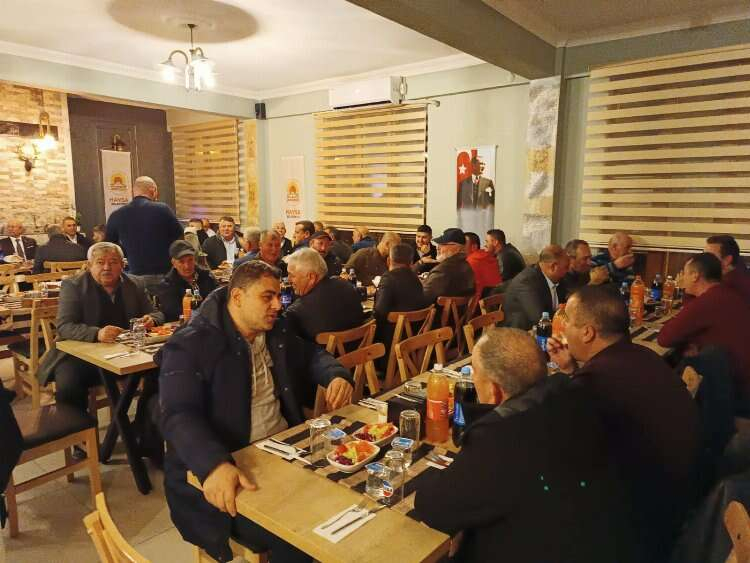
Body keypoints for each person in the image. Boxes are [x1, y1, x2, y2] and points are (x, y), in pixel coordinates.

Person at [158, 261, 353, 562]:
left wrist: (335, 374)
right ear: (237, 297)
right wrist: (214, 464)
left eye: (278, 295)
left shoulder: (275, 328)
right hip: (229, 466)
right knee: (303, 536)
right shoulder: (191, 343)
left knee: (346, 500)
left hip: (284, 451)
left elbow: (310, 353)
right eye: (267, 297)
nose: (278, 304)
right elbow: (178, 414)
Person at [415, 327, 636, 563]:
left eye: (476, 373)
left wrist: (429, 479)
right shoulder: (577, 394)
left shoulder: (499, 438)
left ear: (494, 389)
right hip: (610, 539)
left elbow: (434, 507)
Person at [547, 285, 701, 561]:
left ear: (587, 332)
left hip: (644, 522)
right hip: (683, 492)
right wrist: (572, 369)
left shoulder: (595, 381)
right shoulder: (643, 354)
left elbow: (563, 449)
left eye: (567, 320)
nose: (563, 327)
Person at [40, 242, 165, 459]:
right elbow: (64, 326)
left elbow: (156, 313)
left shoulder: (134, 283)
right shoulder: (73, 285)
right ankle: (79, 440)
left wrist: (151, 319)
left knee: (161, 367)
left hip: (125, 355)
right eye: (100, 262)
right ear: (90, 265)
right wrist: (97, 333)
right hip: (81, 355)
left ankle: (144, 430)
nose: (107, 267)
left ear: (122, 265)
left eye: (113, 262)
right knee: (68, 379)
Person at [658, 253, 750, 407]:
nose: (682, 277)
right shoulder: (727, 293)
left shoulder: (708, 301)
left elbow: (664, 339)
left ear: (695, 276)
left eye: (685, 273)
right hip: (738, 377)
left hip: (734, 390)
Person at [105, 176, 183, 287]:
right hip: (164, 275)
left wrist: (128, 253)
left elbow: (108, 246)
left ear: (133, 192)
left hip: (133, 276)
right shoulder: (162, 209)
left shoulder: (117, 214)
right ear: (153, 190)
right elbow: (180, 239)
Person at [286, 248, 364, 345]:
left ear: (311, 277)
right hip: (360, 351)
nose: (288, 280)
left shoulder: (298, 310)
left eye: (292, 275)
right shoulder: (346, 285)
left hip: (330, 354)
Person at [374, 243, 428, 351]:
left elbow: (379, 313)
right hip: (414, 340)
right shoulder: (416, 279)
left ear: (388, 261)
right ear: (411, 262)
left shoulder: (388, 278)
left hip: (391, 344)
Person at [502, 245, 569, 330]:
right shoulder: (527, 282)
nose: (568, 271)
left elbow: (565, 303)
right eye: (566, 267)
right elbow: (540, 319)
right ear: (553, 267)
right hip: (520, 332)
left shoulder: (558, 278)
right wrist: (562, 313)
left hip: (544, 330)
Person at [151, 240, 218, 322]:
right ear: (173, 263)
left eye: (190, 260)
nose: (187, 266)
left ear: (195, 259)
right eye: (181, 262)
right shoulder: (166, 285)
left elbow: (217, 301)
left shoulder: (207, 276)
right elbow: (174, 313)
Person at [422, 228, 475, 303]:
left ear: (457, 248)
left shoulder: (443, 270)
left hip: (436, 310)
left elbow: (422, 297)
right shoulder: (466, 265)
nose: (437, 247)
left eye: (443, 244)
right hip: (458, 310)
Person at [705, 234, 750, 302]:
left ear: (727, 260)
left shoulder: (726, 287)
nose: (703, 260)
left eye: (709, 256)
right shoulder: (741, 274)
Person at [464, 231, 501, 298]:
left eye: (464, 244)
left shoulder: (470, 261)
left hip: (477, 301)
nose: (461, 248)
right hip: (495, 301)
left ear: (474, 247)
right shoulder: (491, 257)